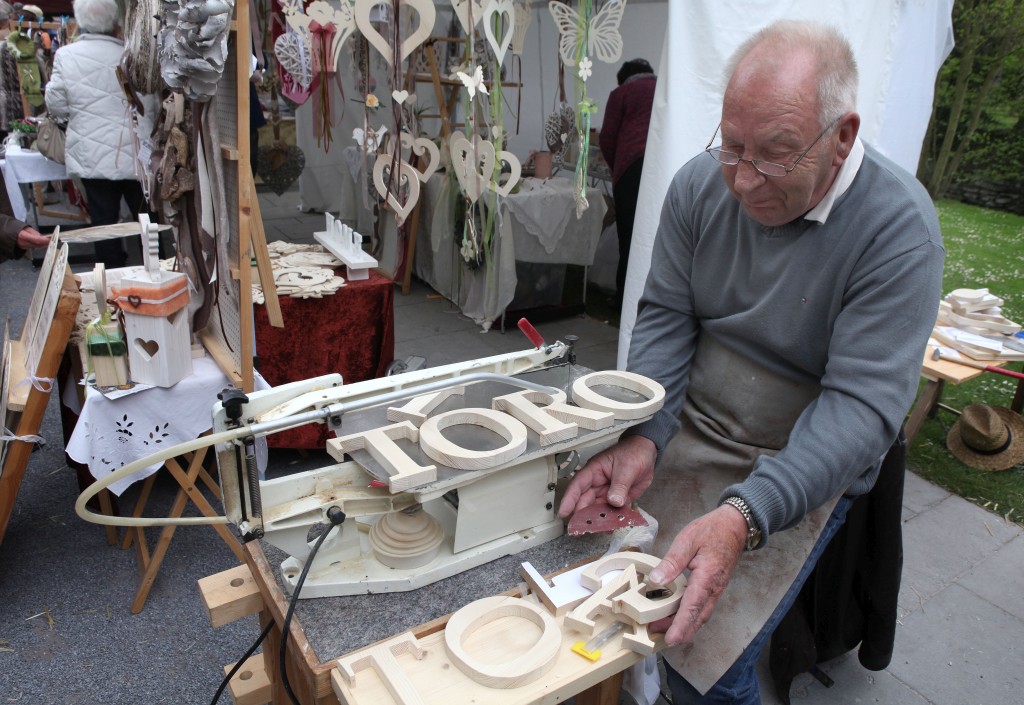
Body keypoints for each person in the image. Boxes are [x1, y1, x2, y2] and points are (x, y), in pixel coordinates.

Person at [559, 20, 944, 704]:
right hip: (690, 420)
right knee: (595, 587)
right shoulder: (699, 185)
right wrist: (645, 433)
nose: (740, 179)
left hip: (805, 452)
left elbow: (860, 407)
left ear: (842, 137)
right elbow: (667, 315)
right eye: (731, 145)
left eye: (774, 155)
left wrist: (745, 513)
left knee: (700, 657)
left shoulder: (898, 230)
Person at [45, 0, 145, 268]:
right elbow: (150, 102)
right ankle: (156, 272)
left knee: (103, 222)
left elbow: (57, 105)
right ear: (115, 19)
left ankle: (110, 278)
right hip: (135, 151)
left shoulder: (66, 56)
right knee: (146, 219)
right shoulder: (130, 53)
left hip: (91, 152)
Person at [599, 58, 656, 312]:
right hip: (660, 166)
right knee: (657, 236)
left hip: (631, 169)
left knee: (629, 239)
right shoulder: (665, 89)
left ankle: (624, 300)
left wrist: (617, 168)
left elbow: (607, 137)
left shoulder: (621, 94)